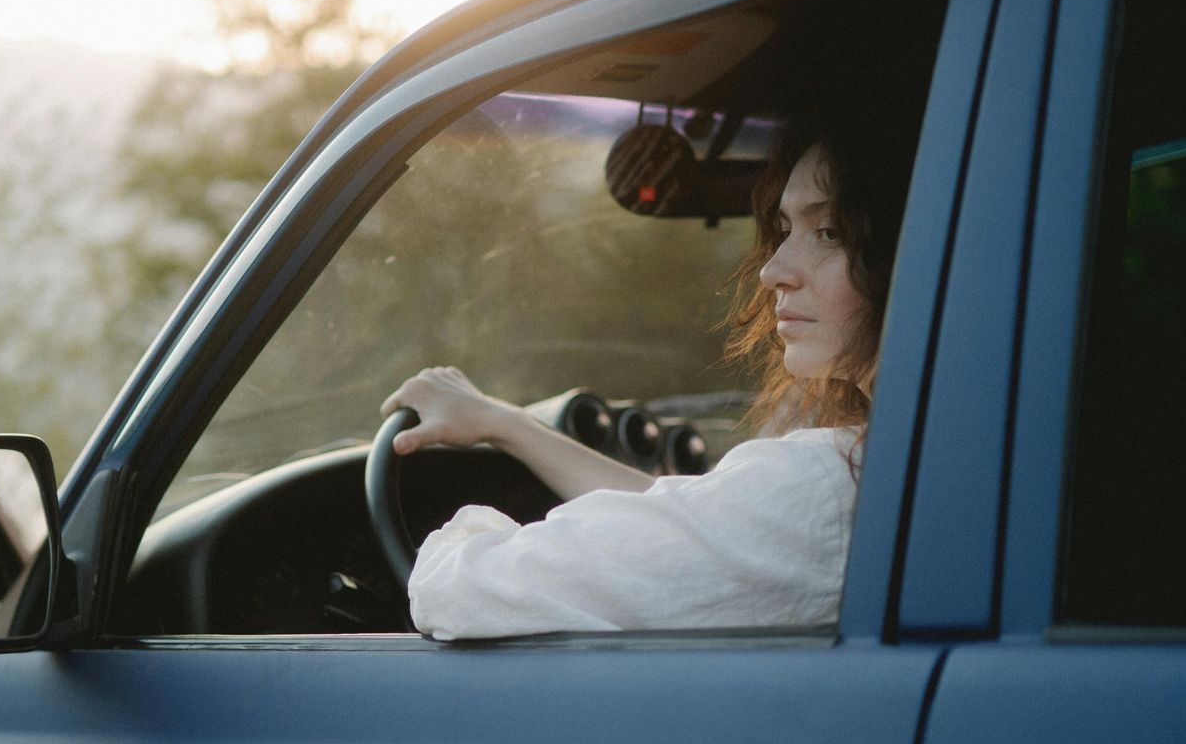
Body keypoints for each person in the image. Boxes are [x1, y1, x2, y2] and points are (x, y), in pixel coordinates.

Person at [382, 117, 907, 639]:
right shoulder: (901, 473)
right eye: (787, 230)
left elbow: (458, 593)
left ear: (911, 254)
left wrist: (461, 538)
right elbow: (701, 528)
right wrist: (505, 425)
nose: (773, 270)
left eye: (830, 231)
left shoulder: (829, 487)